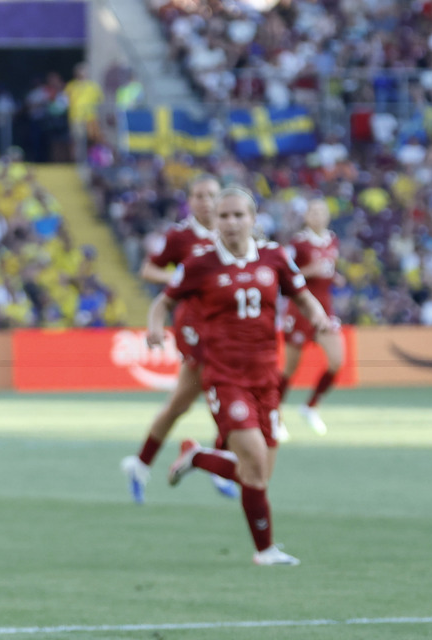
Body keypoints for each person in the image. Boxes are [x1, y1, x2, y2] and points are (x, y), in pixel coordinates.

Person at [149, 187, 332, 566]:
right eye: (224, 216)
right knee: (251, 456)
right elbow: (164, 300)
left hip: (267, 377)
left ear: (253, 218)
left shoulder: (275, 257)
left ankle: (199, 457)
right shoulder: (200, 263)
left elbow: (301, 295)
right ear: (214, 221)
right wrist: (155, 327)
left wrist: (318, 315)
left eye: (238, 215)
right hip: (224, 376)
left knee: (258, 473)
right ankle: (264, 551)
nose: (231, 223)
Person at [120, 175, 237, 502]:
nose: (206, 201)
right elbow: (148, 270)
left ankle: (142, 464)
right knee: (225, 395)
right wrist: (180, 277)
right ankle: (214, 463)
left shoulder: (231, 234)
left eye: (212, 195)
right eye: (199, 195)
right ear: (190, 200)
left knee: (180, 404)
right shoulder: (180, 236)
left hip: (228, 326)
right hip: (195, 328)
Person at [279, 198, 344, 436]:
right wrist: (310, 272)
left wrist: (333, 276)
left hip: (324, 309)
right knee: (290, 368)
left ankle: (310, 407)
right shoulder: (299, 243)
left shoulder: (332, 240)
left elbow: (327, 267)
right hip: (300, 310)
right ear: (306, 217)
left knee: (337, 361)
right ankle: (275, 414)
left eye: (321, 211)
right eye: (313, 212)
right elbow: (285, 276)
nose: (317, 216)